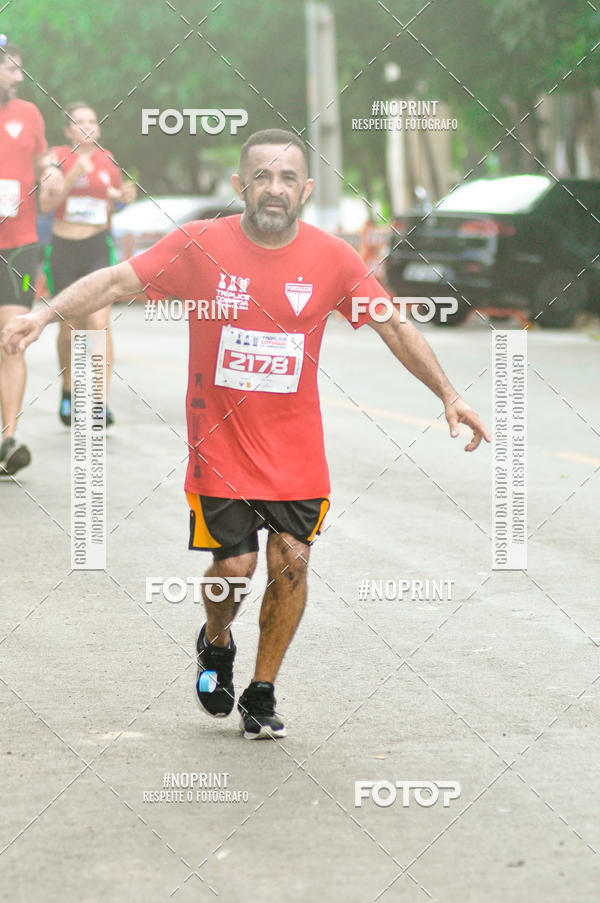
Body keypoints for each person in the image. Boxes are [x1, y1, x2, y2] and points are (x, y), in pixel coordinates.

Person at [0, 129, 490, 739]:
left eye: (287, 178)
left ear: (305, 190)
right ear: (241, 185)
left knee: (292, 561)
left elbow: (393, 326)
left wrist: (449, 394)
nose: (274, 189)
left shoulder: (334, 258)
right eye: (262, 177)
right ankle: (216, 640)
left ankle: (262, 690)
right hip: (220, 448)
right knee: (234, 568)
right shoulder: (199, 245)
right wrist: (42, 316)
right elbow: (115, 282)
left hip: (296, 453)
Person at [41, 101, 136, 426]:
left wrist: (123, 198)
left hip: (97, 247)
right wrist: (71, 177)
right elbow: (46, 205)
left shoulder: (107, 159)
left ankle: (98, 402)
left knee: (98, 324)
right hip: (64, 249)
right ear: (68, 130)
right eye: (79, 122)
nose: (87, 127)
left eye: (92, 121)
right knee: (70, 330)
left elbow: (113, 200)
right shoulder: (56, 157)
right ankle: (69, 391)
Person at [0, 36, 63, 475]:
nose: (19, 77)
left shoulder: (30, 114)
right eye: (11, 68)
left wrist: (52, 171)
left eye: (19, 68)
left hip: (20, 245)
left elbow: (43, 161)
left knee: (11, 337)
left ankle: (8, 440)